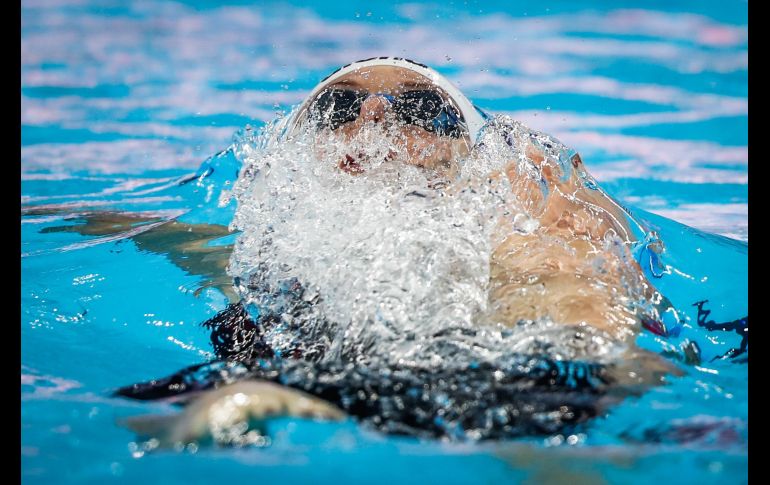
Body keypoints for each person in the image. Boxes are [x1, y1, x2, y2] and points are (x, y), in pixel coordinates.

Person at [106, 58, 696, 444]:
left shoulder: (526, 240)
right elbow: (127, 226)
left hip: (502, 399)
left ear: (474, 163)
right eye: (338, 108)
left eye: (423, 110)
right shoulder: (271, 249)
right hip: (301, 380)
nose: (375, 117)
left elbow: (592, 356)